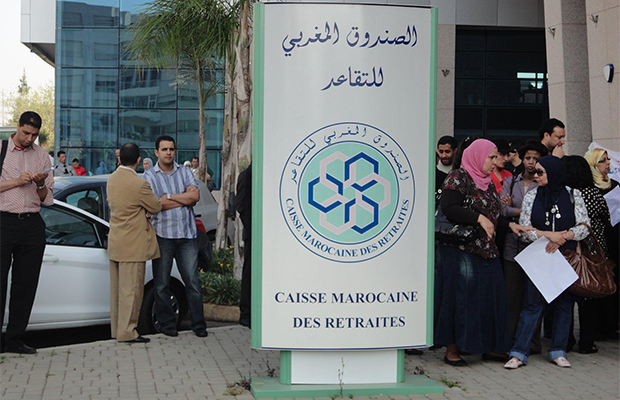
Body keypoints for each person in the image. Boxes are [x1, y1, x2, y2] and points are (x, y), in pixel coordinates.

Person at [435, 138, 530, 366]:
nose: (495, 161)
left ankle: (488, 346)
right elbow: (449, 208)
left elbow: (492, 218)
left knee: (491, 297)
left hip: (486, 249)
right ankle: (452, 348)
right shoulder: (459, 177)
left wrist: (510, 225)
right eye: (491, 157)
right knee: (461, 298)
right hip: (461, 249)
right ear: (477, 156)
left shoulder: (487, 182)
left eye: (496, 156)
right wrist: (478, 218)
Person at [504, 156, 590, 369]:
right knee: (532, 304)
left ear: (554, 173)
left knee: (564, 304)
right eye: (535, 172)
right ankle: (519, 352)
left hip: (566, 257)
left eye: (540, 172)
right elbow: (524, 229)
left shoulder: (573, 194)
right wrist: (548, 236)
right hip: (539, 257)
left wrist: (564, 236)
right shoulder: (532, 195)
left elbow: (584, 226)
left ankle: (558, 351)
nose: (536, 176)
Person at [143, 135, 208, 338]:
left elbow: (194, 196)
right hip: (163, 236)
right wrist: (182, 198)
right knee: (161, 284)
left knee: (193, 282)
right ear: (156, 152)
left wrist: (169, 197)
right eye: (164, 149)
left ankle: (199, 325)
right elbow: (155, 204)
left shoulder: (185, 171)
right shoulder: (149, 176)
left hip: (187, 236)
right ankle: (167, 324)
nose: (168, 152)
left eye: (171, 149)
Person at [0, 111, 54, 354]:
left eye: (34, 135)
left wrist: (40, 183)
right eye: (26, 133)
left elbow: (47, 199)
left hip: (31, 223)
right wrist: (17, 181)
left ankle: (15, 339)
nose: (30, 138)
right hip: (3, 221)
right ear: (18, 127)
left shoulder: (42, 156)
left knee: (26, 285)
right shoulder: (1, 149)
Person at [107, 143, 162, 343]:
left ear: (119, 158)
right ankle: (128, 332)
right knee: (132, 291)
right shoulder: (139, 184)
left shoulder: (111, 179)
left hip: (116, 241)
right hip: (133, 243)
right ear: (139, 160)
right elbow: (156, 206)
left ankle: (117, 329)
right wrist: (145, 210)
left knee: (117, 292)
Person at [499, 141, 545, 350]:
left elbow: (540, 212)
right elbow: (501, 210)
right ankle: (510, 340)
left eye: (535, 158)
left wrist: (515, 209)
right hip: (513, 245)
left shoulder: (543, 183)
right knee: (512, 296)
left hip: (535, 246)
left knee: (533, 297)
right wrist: (521, 212)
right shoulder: (511, 181)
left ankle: (532, 342)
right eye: (528, 158)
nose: (531, 162)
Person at [563, 155, 610, 354]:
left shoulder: (564, 195)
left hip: (568, 250)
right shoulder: (593, 194)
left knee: (566, 295)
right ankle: (587, 342)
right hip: (592, 251)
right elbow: (606, 218)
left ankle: (566, 340)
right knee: (590, 294)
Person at [584, 148, 619, 340]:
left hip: (615, 237)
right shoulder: (589, 188)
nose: (607, 164)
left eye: (607, 160)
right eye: (602, 161)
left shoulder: (614, 184)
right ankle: (600, 326)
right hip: (600, 240)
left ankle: (613, 323)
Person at [236, 164, 252, 328]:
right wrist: (253, 228)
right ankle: (246, 313)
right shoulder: (247, 175)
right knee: (249, 273)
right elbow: (240, 205)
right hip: (254, 235)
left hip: (271, 237)